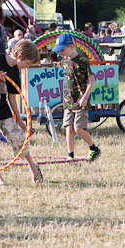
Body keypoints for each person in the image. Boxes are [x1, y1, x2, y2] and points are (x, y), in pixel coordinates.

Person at [0, 39, 43, 187]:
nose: (27, 67)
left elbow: (12, 95)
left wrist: (18, 118)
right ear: (20, 56)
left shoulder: (15, 72)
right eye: (28, 63)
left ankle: (33, 168)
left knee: (18, 138)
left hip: (3, 111)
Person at [52, 33, 101, 161]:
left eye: (62, 49)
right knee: (68, 127)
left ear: (71, 46)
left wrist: (85, 97)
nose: (61, 53)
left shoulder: (83, 61)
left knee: (78, 128)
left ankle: (94, 149)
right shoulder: (64, 62)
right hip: (68, 100)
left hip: (81, 100)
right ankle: (70, 155)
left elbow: (92, 80)